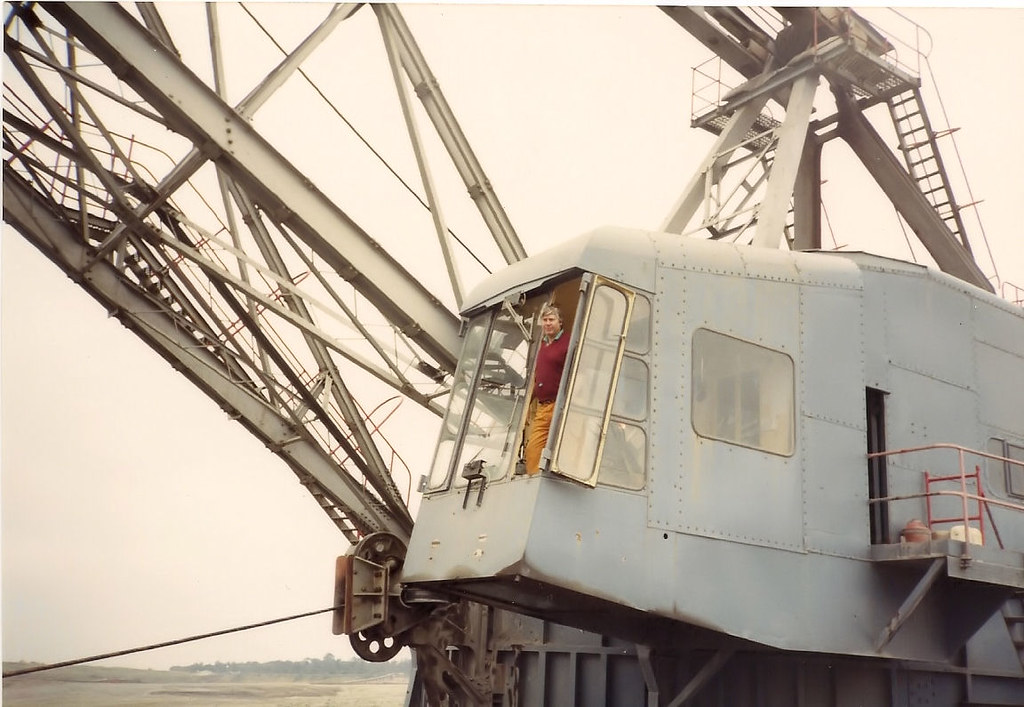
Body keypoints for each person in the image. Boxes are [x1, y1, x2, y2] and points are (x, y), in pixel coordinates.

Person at [523, 303, 569, 475]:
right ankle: (535, 478)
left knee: (562, 447)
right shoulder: (541, 345)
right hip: (543, 407)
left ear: (560, 322)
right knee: (533, 449)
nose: (548, 323)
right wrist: (528, 404)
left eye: (552, 319)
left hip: (560, 405)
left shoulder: (568, 343)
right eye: (545, 320)